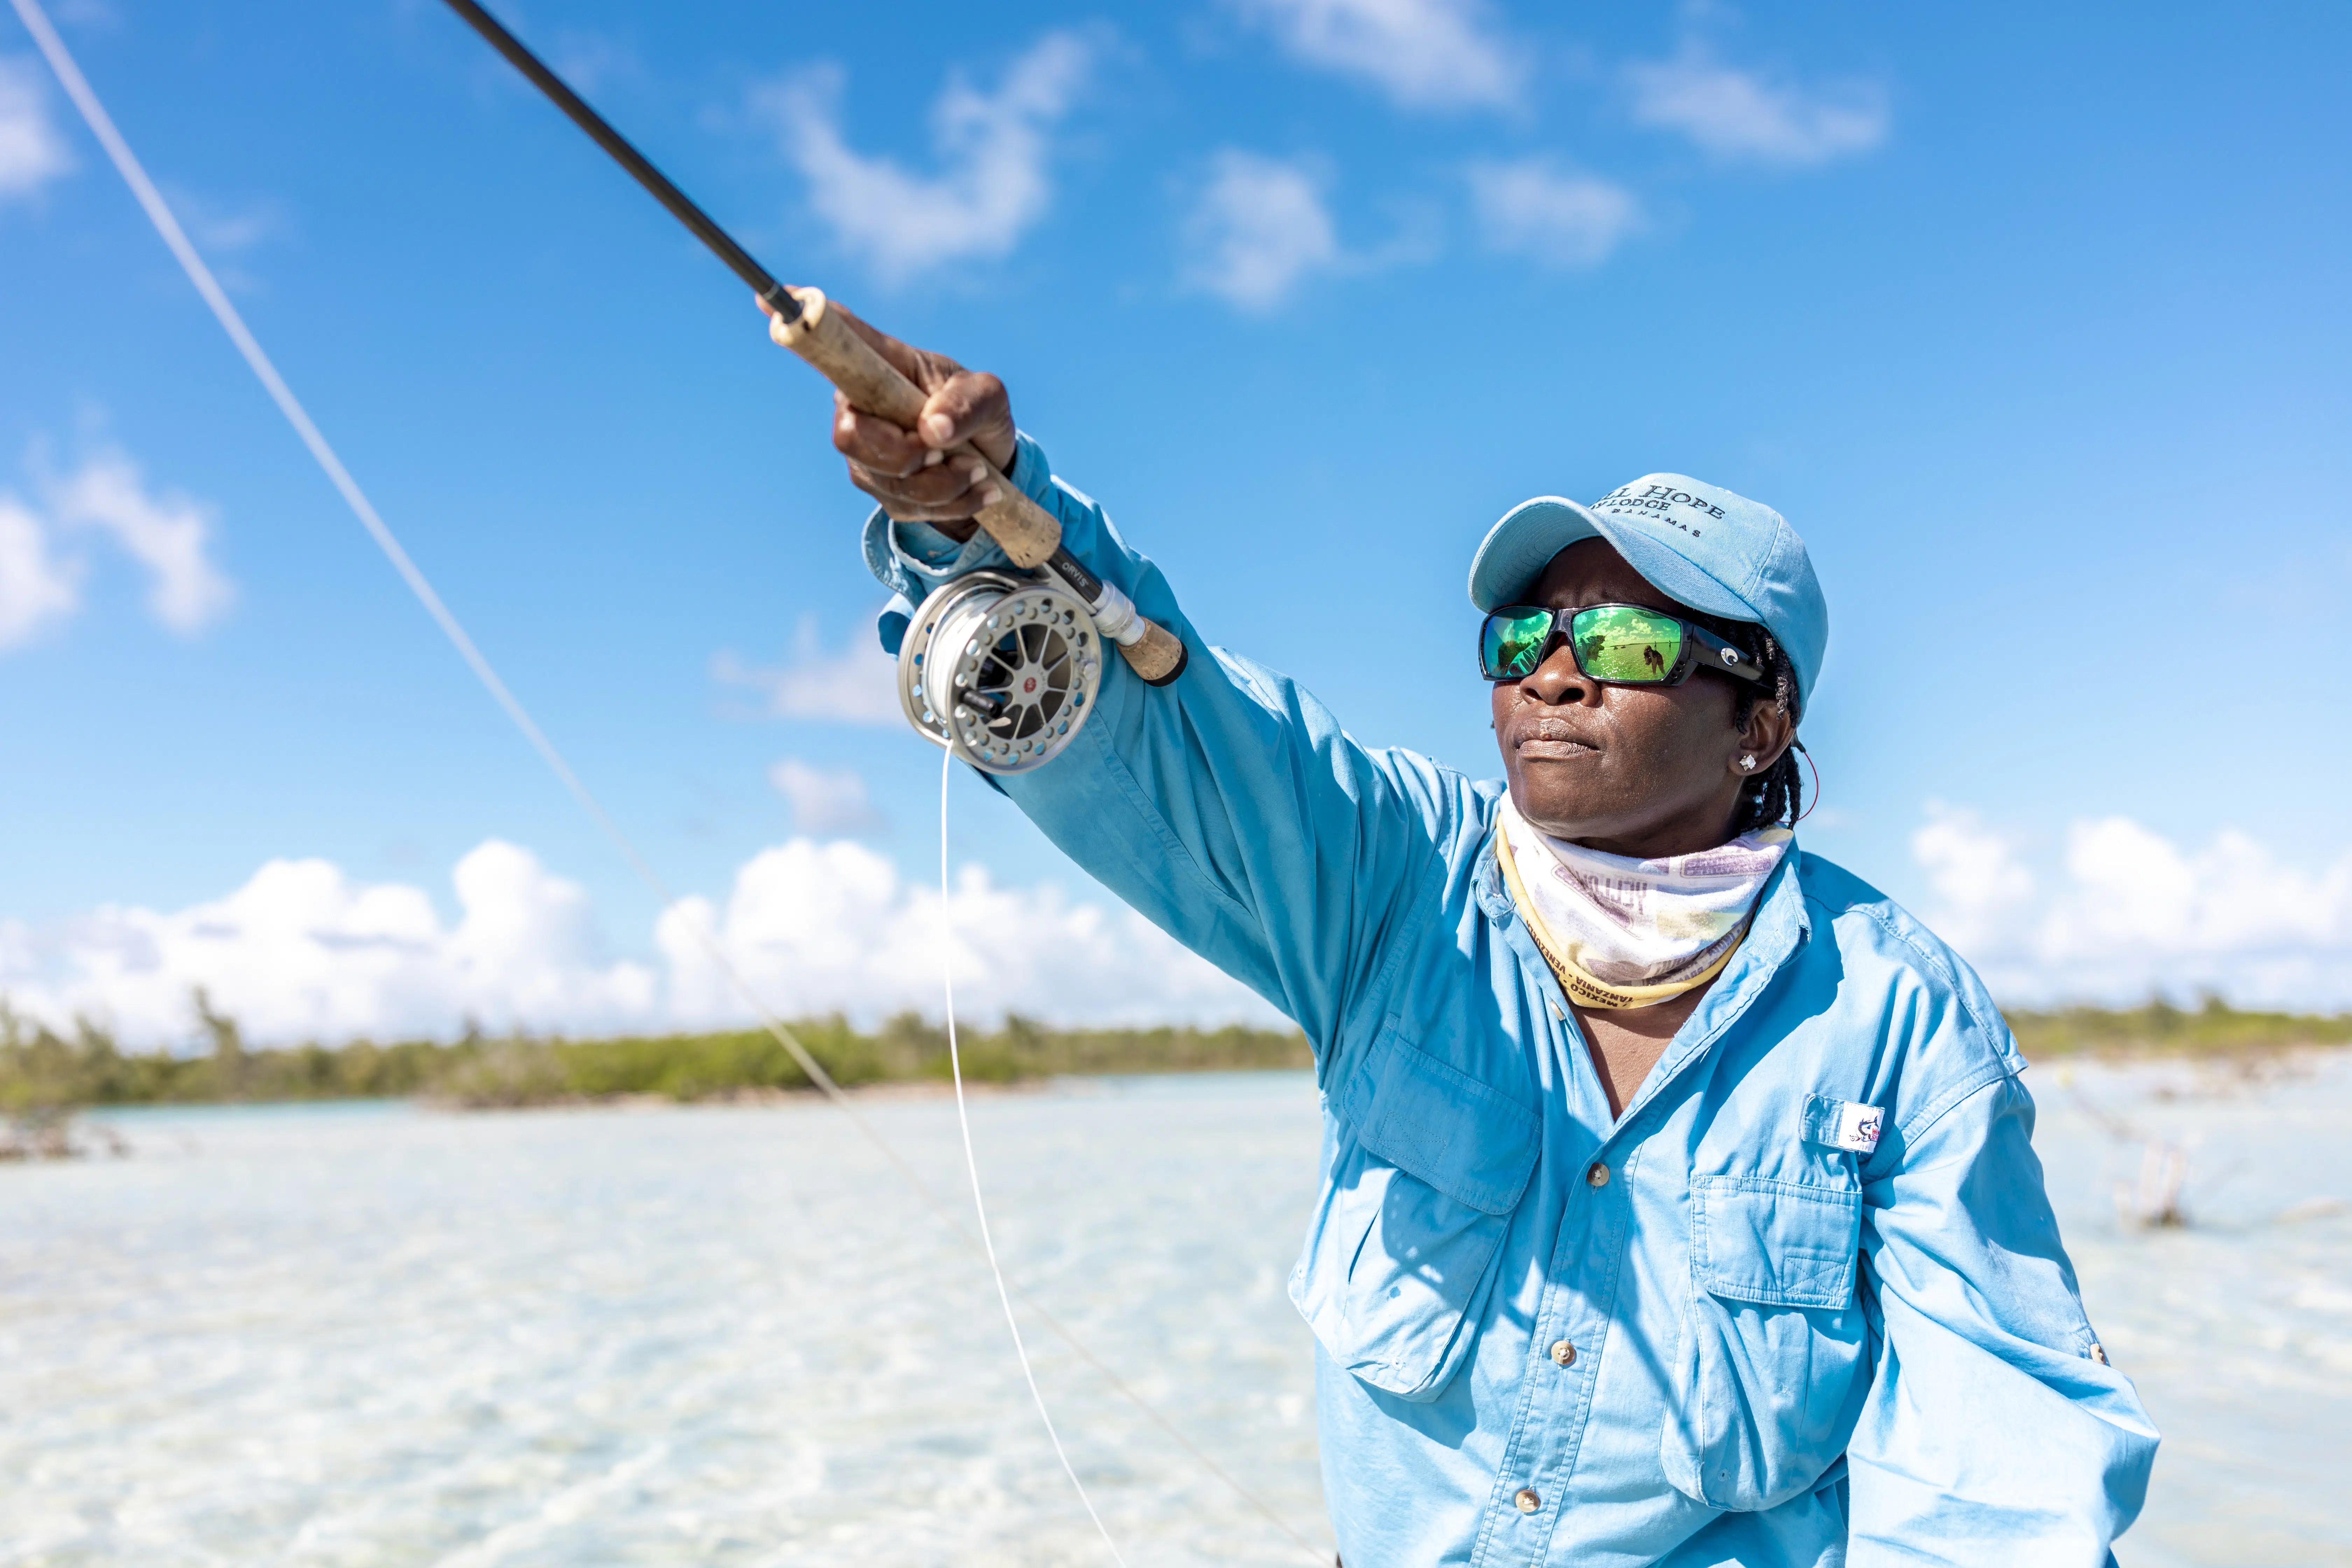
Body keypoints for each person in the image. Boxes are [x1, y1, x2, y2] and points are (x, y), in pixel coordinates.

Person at [769, 299, 2160, 1567]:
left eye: (1620, 644)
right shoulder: (1394, 882)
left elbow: (2007, 1456)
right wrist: (981, 511)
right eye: (1520, 640)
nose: (1551, 671)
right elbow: (1173, 717)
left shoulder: (1898, 1012)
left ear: (1764, 720)